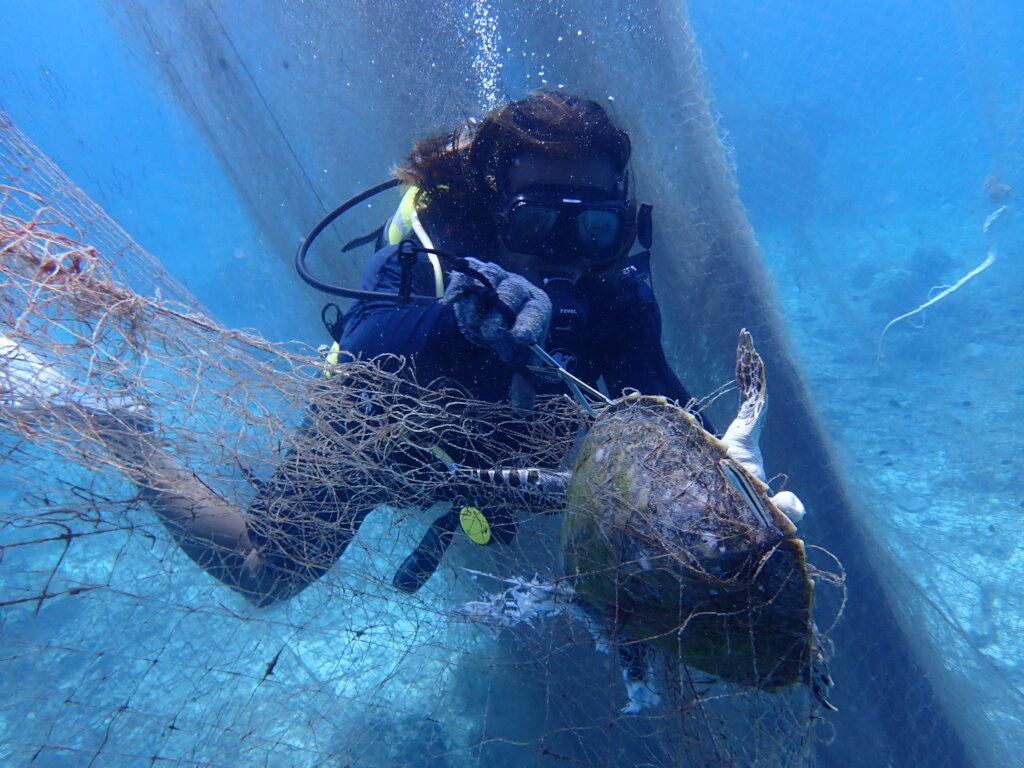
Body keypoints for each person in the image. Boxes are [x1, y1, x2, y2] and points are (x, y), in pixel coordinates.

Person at [4, 91, 733, 608]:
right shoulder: (435, 248)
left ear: (620, 219)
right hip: (384, 428)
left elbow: (658, 402)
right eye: (537, 221)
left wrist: (723, 473)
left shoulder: (616, 292)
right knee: (266, 573)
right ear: (493, 202)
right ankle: (122, 433)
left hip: (513, 457)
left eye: (593, 228)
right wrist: (460, 324)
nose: (563, 252)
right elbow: (364, 350)